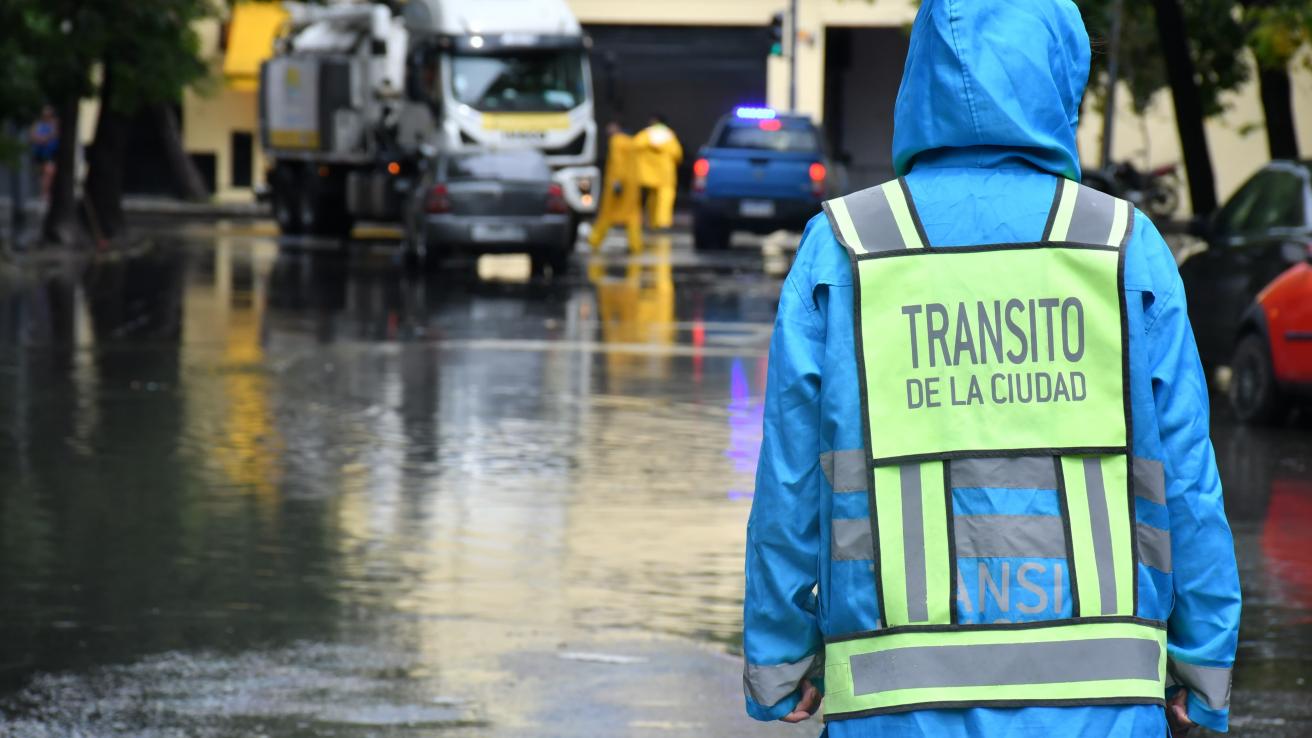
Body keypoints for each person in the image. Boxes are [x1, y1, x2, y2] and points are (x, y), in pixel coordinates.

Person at [742, 1, 1241, 737]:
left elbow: (792, 477)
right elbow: (1185, 477)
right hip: (1101, 705)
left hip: (893, 707)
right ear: (1062, 76)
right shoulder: (1124, 248)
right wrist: (1203, 668)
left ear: (920, 82)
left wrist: (779, 662)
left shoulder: (843, 247)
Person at [588, 122, 644, 254]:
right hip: (632, 185)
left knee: (607, 213)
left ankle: (595, 240)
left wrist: (617, 182)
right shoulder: (631, 142)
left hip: (618, 185)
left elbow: (617, 162)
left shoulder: (616, 141)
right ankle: (635, 245)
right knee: (632, 216)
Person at [634, 114, 682, 230]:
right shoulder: (669, 136)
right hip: (666, 173)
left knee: (651, 198)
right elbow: (678, 155)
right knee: (665, 198)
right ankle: (663, 222)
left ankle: (651, 222)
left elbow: (634, 147)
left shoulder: (645, 134)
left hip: (647, 174)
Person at [29, 105, 59, 200]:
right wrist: (43, 139)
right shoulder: (38, 124)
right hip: (40, 153)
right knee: (43, 174)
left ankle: (46, 194)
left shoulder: (54, 123)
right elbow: (33, 137)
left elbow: (54, 134)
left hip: (51, 153)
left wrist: (44, 138)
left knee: (49, 172)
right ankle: (44, 193)